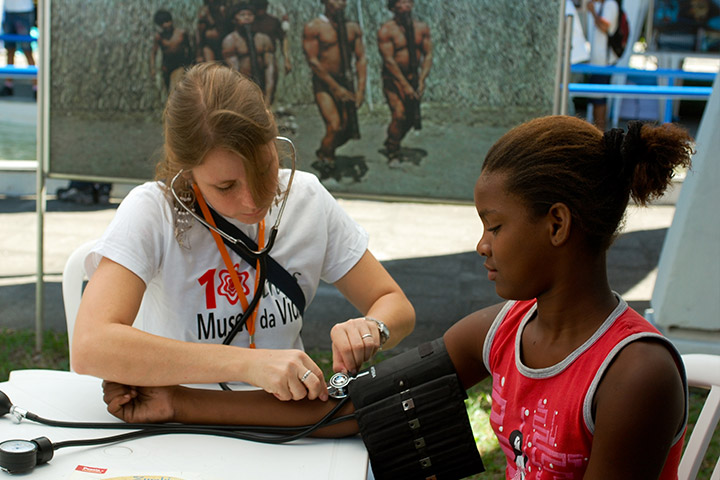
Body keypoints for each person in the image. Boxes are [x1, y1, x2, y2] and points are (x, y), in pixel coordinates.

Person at [103, 115, 692, 479]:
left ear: (558, 224)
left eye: (495, 225)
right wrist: (179, 404)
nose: (481, 245)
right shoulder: (501, 330)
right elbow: (357, 408)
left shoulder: (634, 375)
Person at [71, 62, 415, 404]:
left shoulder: (307, 198)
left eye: (264, 169)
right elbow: (90, 346)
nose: (253, 200)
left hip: (284, 418)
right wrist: (249, 366)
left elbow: (395, 304)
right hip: (183, 420)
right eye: (225, 186)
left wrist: (373, 327)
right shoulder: (154, 211)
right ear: (188, 173)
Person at [302, 0, 367, 180]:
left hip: (346, 82)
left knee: (347, 129)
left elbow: (361, 58)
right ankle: (327, 159)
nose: (339, 2)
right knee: (334, 125)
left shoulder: (352, 28)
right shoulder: (314, 27)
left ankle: (324, 151)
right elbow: (313, 61)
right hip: (324, 83)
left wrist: (361, 89)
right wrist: (335, 87)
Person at [377, 0, 432, 166]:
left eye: (408, 2)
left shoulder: (421, 28)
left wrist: (422, 80)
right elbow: (389, 60)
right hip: (393, 80)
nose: (405, 6)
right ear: (393, 8)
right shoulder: (387, 30)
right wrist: (404, 85)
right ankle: (393, 151)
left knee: (410, 118)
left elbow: (428, 54)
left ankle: (391, 140)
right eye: (401, 3)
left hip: (413, 78)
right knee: (399, 114)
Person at [222, 2, 276, 106]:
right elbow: (235, 73)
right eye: (242, 15)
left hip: (262, 84)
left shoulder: (264, 39)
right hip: (243, 87)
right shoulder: (230, 41)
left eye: (250, 15)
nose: (247, 18)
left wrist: (268, 97)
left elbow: (270, 69)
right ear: (234, 19)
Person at [587, 0, 619, 131]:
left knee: (599, 101)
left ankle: (600, 135)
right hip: (598, 62)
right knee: (597, 100)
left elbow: (605, 26)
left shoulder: (610, 4)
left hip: (603, 63)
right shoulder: (605, 5)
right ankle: (598, 134)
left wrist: (593, 12)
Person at [251, 0, 291, 105]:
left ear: (266, 6)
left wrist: (286, 59)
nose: (260, 9)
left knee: (271, 87)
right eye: (257, 6)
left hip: (270, 58)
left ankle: (267, 111)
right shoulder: (249, 22)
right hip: (251, 60)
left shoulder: (273, 21)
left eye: (262, 6)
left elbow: (283, 39)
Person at [151, 9, 192, 94]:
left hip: (179, 65)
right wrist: (153, 69)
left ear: (171, 21)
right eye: (162, 24)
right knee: (170, 92)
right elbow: (153, 53)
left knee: (175, 90)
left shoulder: (181, 34)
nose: (165, 25)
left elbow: (189, 49)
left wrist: (190, 63)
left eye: (167, 21)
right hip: (167, 68)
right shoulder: (159, 37)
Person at [1, 0, 36, 98]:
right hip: (9, 10)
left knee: (27, 50)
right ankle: (8, 84)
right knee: (10, 49)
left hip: (24, 10)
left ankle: (36, 86)